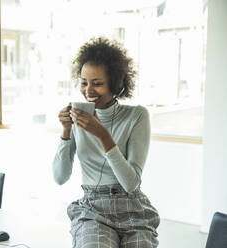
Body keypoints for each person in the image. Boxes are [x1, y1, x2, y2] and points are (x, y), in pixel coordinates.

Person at [52, 37, 160, 248]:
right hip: (93, 208)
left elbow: (131, 183)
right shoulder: (78, 117)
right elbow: (59, 177)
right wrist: (66, 132)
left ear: (115, 83)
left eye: (97, 83)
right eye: (84, 82)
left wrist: (103, 135)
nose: (88, 90)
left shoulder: (137, 116)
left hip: (132, 208)